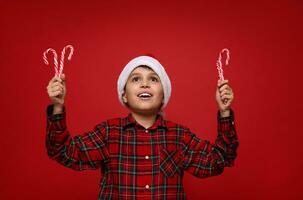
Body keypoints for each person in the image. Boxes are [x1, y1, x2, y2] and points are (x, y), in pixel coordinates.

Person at [46, 55, 239, 199]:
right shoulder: (108, 133)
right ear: (124, 95)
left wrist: (224, 112)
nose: (145, 84)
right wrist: (57, 106)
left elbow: (218, 160)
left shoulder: (179, 136)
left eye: (154, 79)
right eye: (136, 79)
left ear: (163, 95)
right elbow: (63, 151)